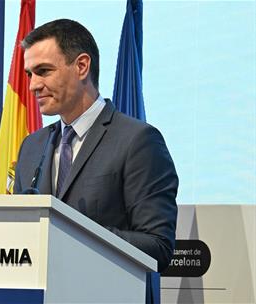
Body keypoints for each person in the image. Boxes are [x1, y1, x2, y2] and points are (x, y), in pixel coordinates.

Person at [14, 19, 178, 272]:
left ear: (81, 66)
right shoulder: (32, 147)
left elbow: (158, 247)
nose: (33, 84)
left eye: (44, 71)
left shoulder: (138, 141)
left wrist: (73, 232)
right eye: (29, 74)